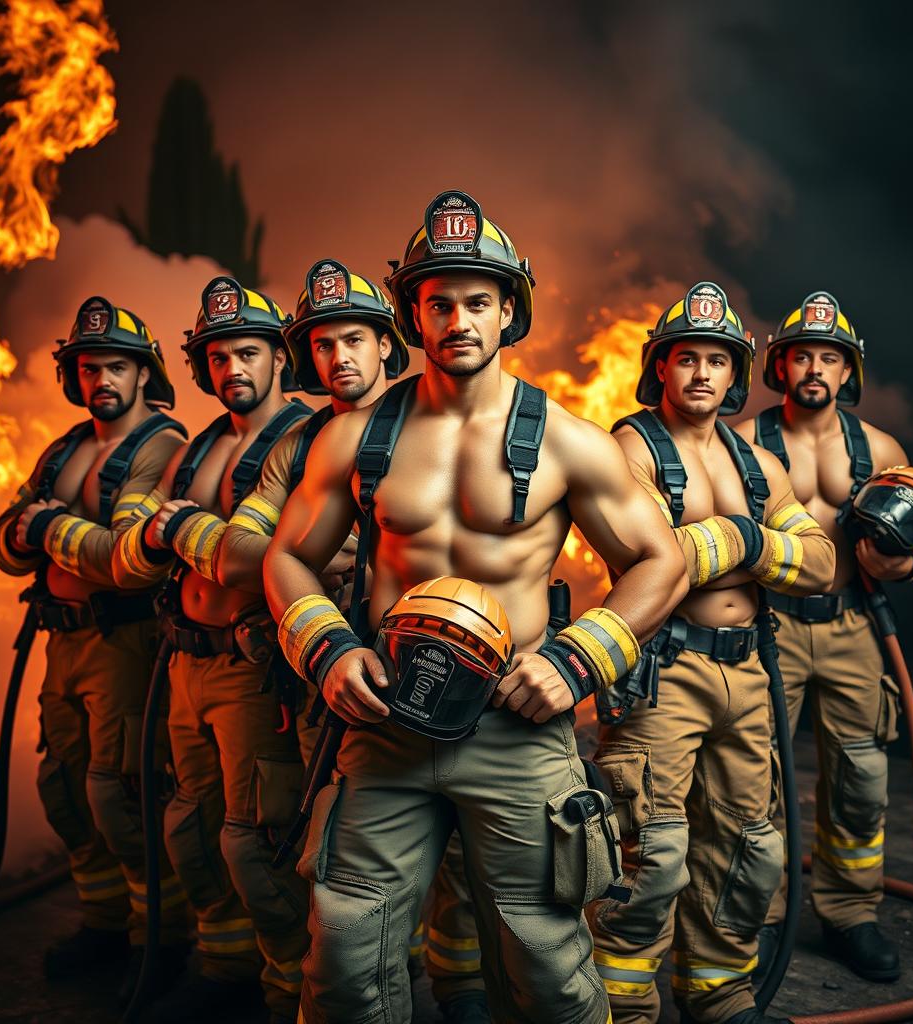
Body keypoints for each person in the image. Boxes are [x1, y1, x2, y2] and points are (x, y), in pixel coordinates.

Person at [264, 190, 688, 1023]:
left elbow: (660, 560)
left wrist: (577, 661)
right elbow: (286, 556)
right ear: (412, 316)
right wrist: (326, 649)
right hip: (385, 723)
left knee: (546, 962)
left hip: (515, 731)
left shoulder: (569, 440)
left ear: (509, 313)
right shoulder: (352, 438)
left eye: (478, 303)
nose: (458, 319)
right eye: (439, 303)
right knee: (345, 953)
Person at [219, 257, 489, 1022]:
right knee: (347, 857)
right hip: (327, 674)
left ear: (386, 345)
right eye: (324, 346)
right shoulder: (300, 446)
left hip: (438, 671)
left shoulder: (435, 421)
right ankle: (385, 980)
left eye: (355, 342)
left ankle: (461, 983)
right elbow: (248, 555)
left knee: (466, 848)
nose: (339, 359)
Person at [592, 281, 836, 1024]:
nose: (702, 373)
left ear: (736, 376)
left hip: (747, 670)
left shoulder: (754, 460)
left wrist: (740, 539)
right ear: (658, 368)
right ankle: (625, 1002)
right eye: (686, 358)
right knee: (650, 849)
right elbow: (648, 564)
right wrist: (760, 547)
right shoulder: (626, 449)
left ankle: (717, 991)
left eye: (718, 361)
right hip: (663, 672)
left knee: (745, 843)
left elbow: (821, 563)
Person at [112, 276, 311, 1023]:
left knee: (256, 838)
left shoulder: (303, 439)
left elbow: (249, 563)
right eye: (219, 355)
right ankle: (225, 965)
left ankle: (292, 988)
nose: (233, 368)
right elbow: (126, 558)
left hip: (253, 670)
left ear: (277, 358)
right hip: (186, 662)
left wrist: (173, 529)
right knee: (189, 824)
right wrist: (173, 531)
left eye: (249, 352)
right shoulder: (194, 448)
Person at [737, 291, 913, 984]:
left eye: (829, 357)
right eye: (801, 357)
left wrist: (906, 560)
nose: (815, 368)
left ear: (849, 370)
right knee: (756, 781)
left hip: (853, 627)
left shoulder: (879, 449)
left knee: (860, 777)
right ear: (780, 367)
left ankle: (850, 913)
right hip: (771, 630)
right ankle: (758, 918)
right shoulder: (744, 444)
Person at [0, 297, 189, 997]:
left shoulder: (164, 447)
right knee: (64, 787)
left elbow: (119, 559)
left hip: (125, 642)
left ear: (145, 373)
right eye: (88, 366)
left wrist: (42, 530)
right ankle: (104, 921)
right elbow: (5, 539)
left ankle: (159, 935)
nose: (101, 378)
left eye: (116, 366)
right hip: (61, 643)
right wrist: (36, 531)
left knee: (121, 794)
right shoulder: (65, 447)